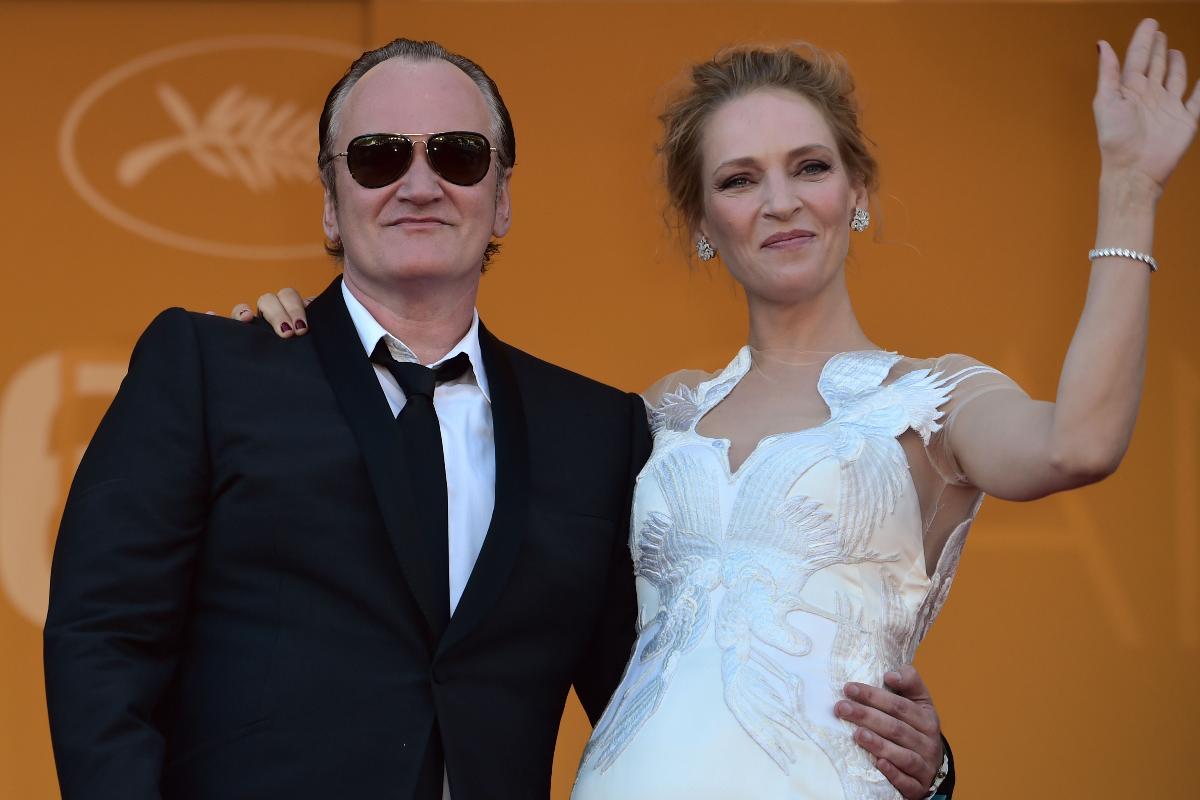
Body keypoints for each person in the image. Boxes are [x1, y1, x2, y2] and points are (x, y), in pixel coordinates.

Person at [248, 18, 1198, 800]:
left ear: (857, 191)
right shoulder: (650, 419)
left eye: (810, 167)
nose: (780, 202)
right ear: (704, 223)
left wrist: (1129, 190)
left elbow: (1079, 442)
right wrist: (298, 344)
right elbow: (453, 564)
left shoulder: (932, 401)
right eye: (740, 179)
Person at [43, 37, 948, 800]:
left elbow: (673, 690)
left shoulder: (596, 433)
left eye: (458, 155)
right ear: (329, 199)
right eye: (379, 157)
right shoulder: (213, 367)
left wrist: (914, 765)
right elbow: (103, 640)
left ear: (502, 196)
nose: (420, 183)